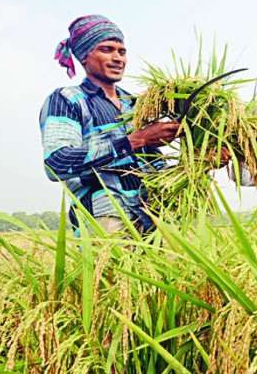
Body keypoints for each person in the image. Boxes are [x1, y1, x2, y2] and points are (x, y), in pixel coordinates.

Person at [40, 15, 180, 233]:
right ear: (84, 56)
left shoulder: (135, 105)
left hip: (152, 216)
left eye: (122, 52)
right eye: (107, 49)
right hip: (105, 218)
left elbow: (155, 166)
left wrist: (202, 161)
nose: (118, 58)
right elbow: (56, 163)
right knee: (111, 268)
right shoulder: (67, 99)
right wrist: (137, 139)